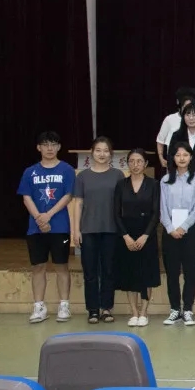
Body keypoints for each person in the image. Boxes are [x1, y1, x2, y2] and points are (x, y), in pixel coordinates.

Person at [19, 131, 75, 324]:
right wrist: (39, 218)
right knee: (38, 267)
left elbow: (68, 195)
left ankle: (64, 305)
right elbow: (26, 197)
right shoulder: (30, 172)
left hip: (59, 227)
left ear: (59, 147)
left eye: (53, 144)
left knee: (61, 265)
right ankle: (39, 306)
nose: (49, 148)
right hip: (36, 228)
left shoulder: (66, 170)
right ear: (39, 147)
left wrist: (48, 215)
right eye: (45, 144)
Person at [71, 137, 121, 324]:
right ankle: (92, 309)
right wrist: (76, 230)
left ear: (111, 154)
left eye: (106, 151)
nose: (102, 154)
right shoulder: (82, 176)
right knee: (90, 272)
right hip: (88, 230)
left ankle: (106, 308)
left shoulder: (117, 175)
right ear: (92, 153)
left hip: (111, 230)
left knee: (108, 270)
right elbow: (78, 204)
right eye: (98, 150)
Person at [113, 148, 161, 327]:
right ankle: (134, 312)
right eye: (132, 161)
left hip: (146, 234)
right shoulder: (121, 185)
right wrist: (125, 236)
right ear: (127, 163)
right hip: (127, 234)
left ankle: (143, 312)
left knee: (146, 274)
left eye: (139, 161)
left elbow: (156, 213)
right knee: (130, 273)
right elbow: (116, 213)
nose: (135, 165)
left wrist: (145, 236)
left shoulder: (153, 184)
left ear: (146, 164)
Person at [159, 142, 195, 327]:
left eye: (185, 155)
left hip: (190, 231)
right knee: (172, 272)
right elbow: (162, 208)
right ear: (173, 158)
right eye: (178, 155)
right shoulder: (165, 180)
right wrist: (171, 228)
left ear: (191, 157)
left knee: (191, 272)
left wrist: (183, 227)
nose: (182, 158)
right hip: (170, 232)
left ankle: (188, 309)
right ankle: (175, 309)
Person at [156, 86, 195, 169]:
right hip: (174, 165)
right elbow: (160, 140)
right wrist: (161, 157)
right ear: (178, 102)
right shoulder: (169, 119)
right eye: (185, 106)